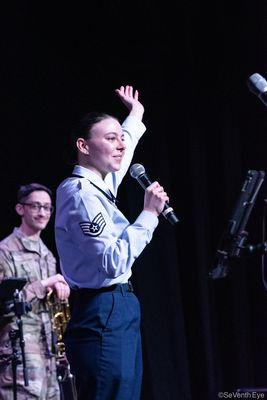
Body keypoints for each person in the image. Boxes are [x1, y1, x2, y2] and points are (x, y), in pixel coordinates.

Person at [55, 85, 169, 400]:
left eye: (121, 137)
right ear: (84, 146)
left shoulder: (101, 184)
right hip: (101, 308)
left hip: (118, 307)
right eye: (110, 138)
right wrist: (148, 215)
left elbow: (128, 146)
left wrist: (136, 113)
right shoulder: (80, 194)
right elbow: (111, 263)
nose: (120, 145)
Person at [0, 183, 70, 399]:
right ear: (20, 209)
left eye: (48, 208)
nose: (43, 213)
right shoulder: (5, 251)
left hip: (49, 354)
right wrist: (45, 284)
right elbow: (3, 303)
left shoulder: (48, 255)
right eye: (36, 206)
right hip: (20, 355)